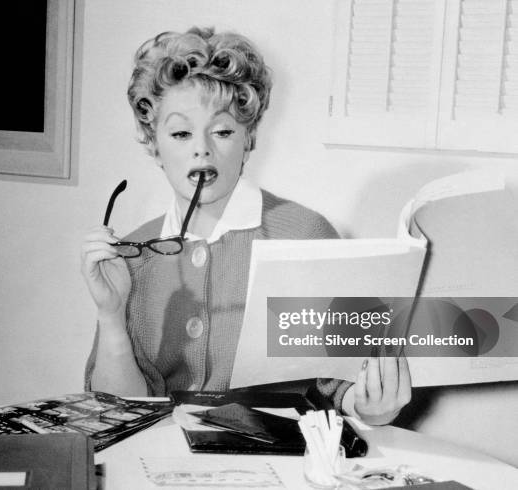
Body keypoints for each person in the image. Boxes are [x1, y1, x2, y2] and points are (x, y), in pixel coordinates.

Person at [81, 27, 411, 425]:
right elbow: (115, 413)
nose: (202, 148)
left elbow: (344, 386)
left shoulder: (306, 235)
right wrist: (111, 315)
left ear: (248, 137)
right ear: (154, 144)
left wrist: (371, 404)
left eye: (222, 131)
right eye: (181, 133)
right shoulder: (131, 253)